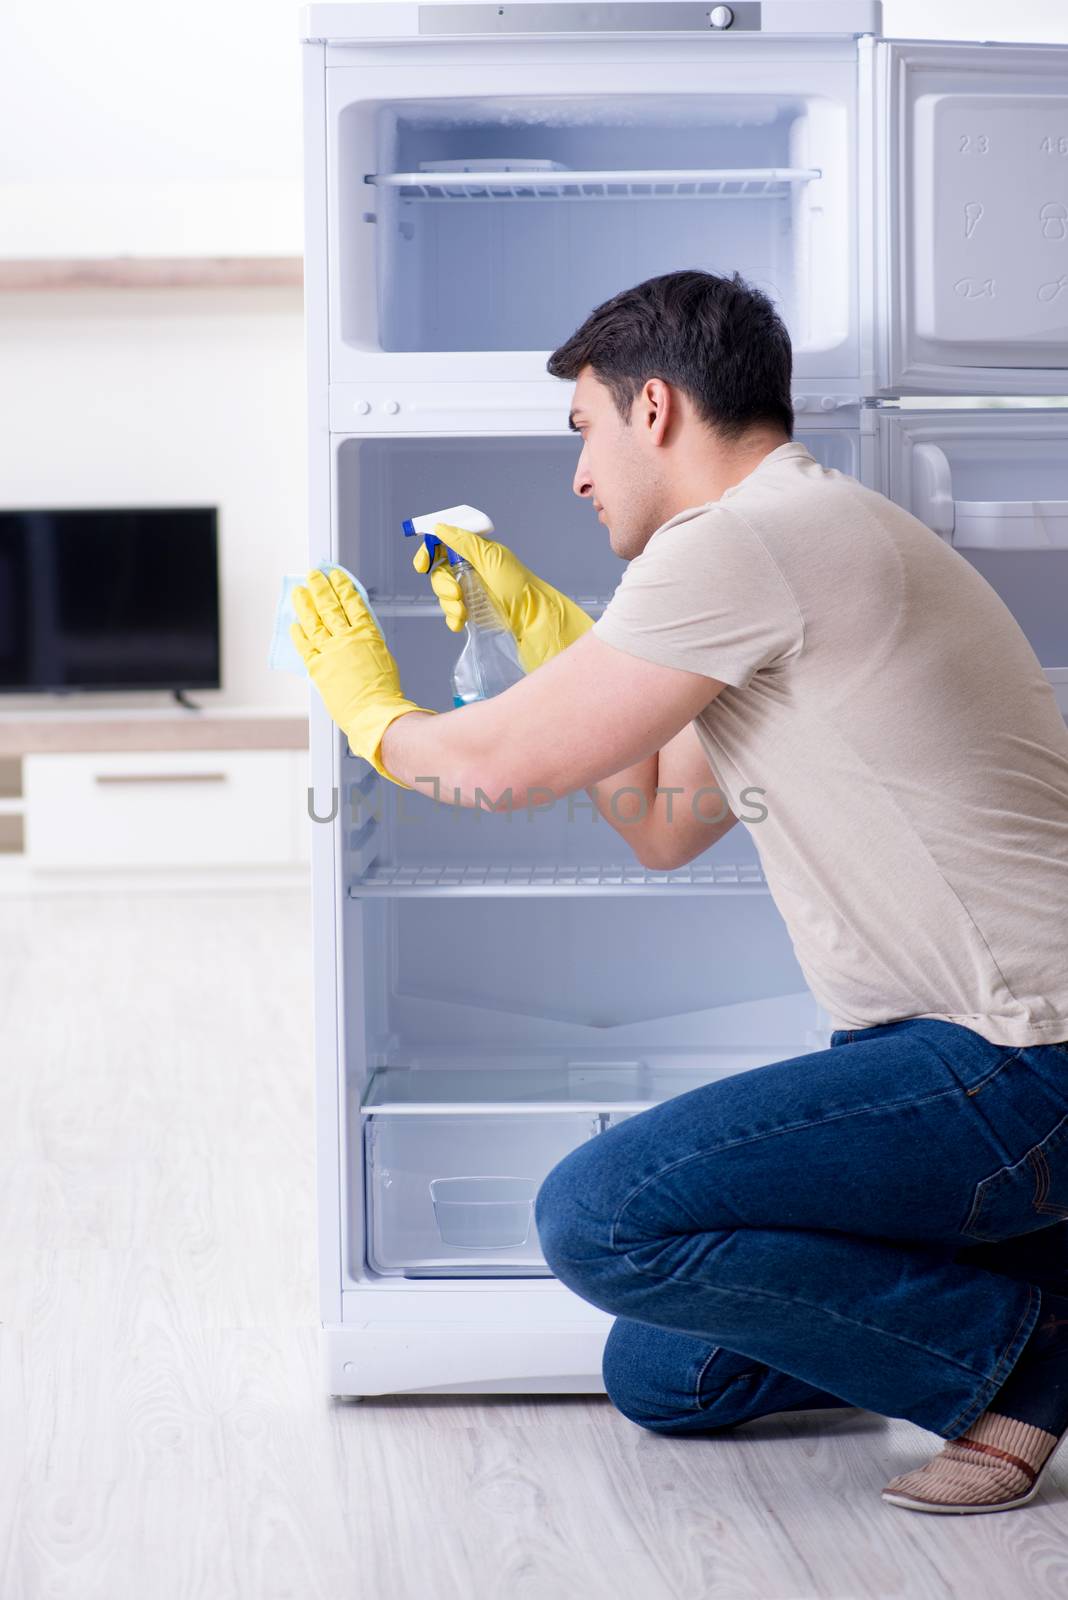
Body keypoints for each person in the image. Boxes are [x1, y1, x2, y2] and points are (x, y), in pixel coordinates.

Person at [290, 268, 1068, 1515]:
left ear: (654, 408)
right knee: (663, 1373)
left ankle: (1027, 1356)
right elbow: (660, 818)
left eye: (585, 430)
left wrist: (372, 713)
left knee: (594, 1219)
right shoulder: (797, 537)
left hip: (1019, 1062)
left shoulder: (749, 538)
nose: (583, 474)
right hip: (964, 1064)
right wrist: (553, 636)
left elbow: (502, 765)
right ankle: (1030, 1279)